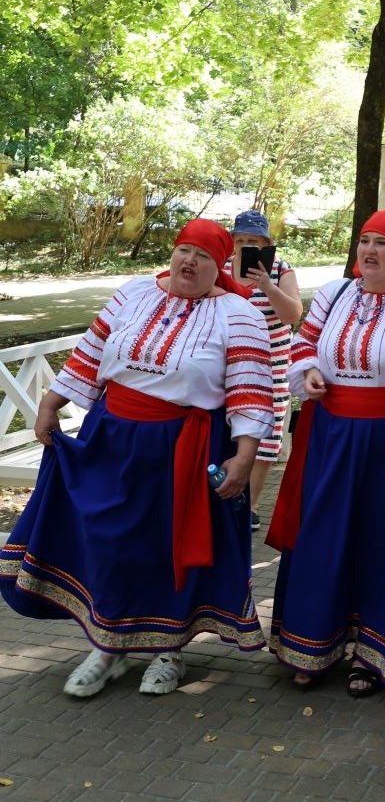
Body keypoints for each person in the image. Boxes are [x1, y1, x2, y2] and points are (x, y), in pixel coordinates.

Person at [0, 220, 274, 697]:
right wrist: (50, 405)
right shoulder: (133, 292)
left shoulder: (240, 314)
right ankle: (109, 646)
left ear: (220, 266)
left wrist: (245, 455)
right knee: (110, 544)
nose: (189, 261)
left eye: (203, 257)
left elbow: (251, 390)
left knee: (165, 550)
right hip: (112, 437)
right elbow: (90, 353)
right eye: (183, 250)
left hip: (182, 449)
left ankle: (169, 651)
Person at [266, 211, 385, 693]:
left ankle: (376, 655)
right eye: (365, 241)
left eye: (383, 244)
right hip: (330, 435)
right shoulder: (333, 293)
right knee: (324, 537)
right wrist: (307, 372)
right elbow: (301, 345)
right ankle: (313, 644)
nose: (369, 251)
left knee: (382, 543)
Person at [224, 209, 304, 531]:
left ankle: (252, 504)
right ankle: (227, 494)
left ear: (267, 243)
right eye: (241, 239)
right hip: (229, 364)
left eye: (253, 240)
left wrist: (268, 286)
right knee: (230, 430)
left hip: (271, 365)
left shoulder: (281, 269)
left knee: (266, 436)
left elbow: (293, 314)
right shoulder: (222, 268)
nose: (246, 245)